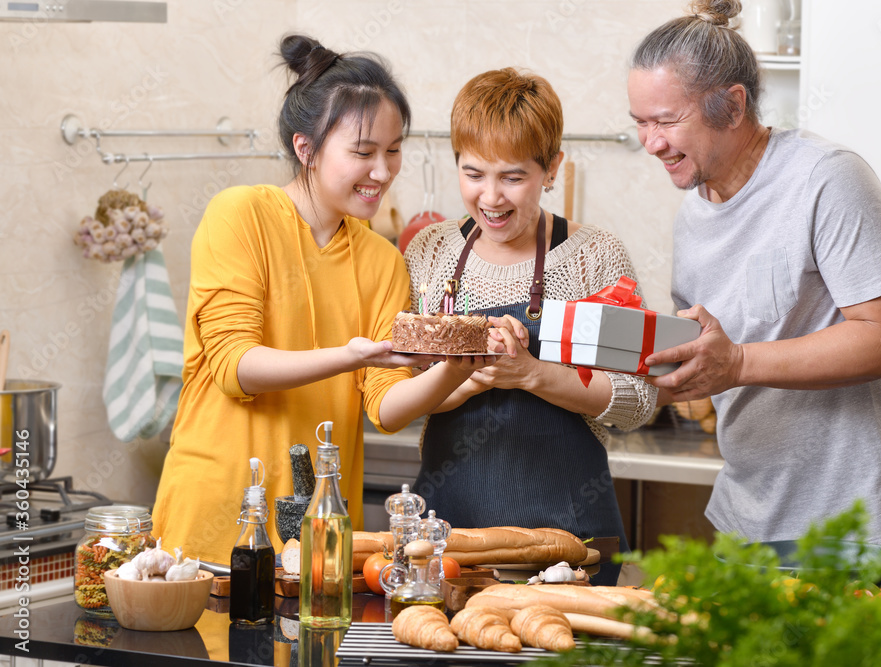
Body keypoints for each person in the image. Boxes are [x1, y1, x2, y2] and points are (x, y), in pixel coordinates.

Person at [152, 35, 494, 564]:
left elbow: (385, 407)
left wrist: (456, 369)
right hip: (215, 518)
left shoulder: (381, 260)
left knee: (313, 645)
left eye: (394, 149)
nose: (383, 172)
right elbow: (233, 366)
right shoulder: (240, 216)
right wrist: (353, 355)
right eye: (363, 152)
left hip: (320, 530)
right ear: (305, 148)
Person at [628, 0, 881, 543]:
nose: (651, 143)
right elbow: (710, 363)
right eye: (640, 123)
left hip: (861, 526)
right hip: (747, 522)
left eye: (667, 121)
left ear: (732, 104)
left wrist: (739, 362)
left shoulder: (827, 180)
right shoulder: (693, 216)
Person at [404, 68, 657, 580]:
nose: (491, 198)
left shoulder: (594, 258)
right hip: (450, 539)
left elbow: (638, 401)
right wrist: (464, 377)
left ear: (552, 168)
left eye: (513, 177)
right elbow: (396, 393)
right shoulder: (428, 254)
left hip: (572, 540)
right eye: (473, 173)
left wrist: (531, 374)